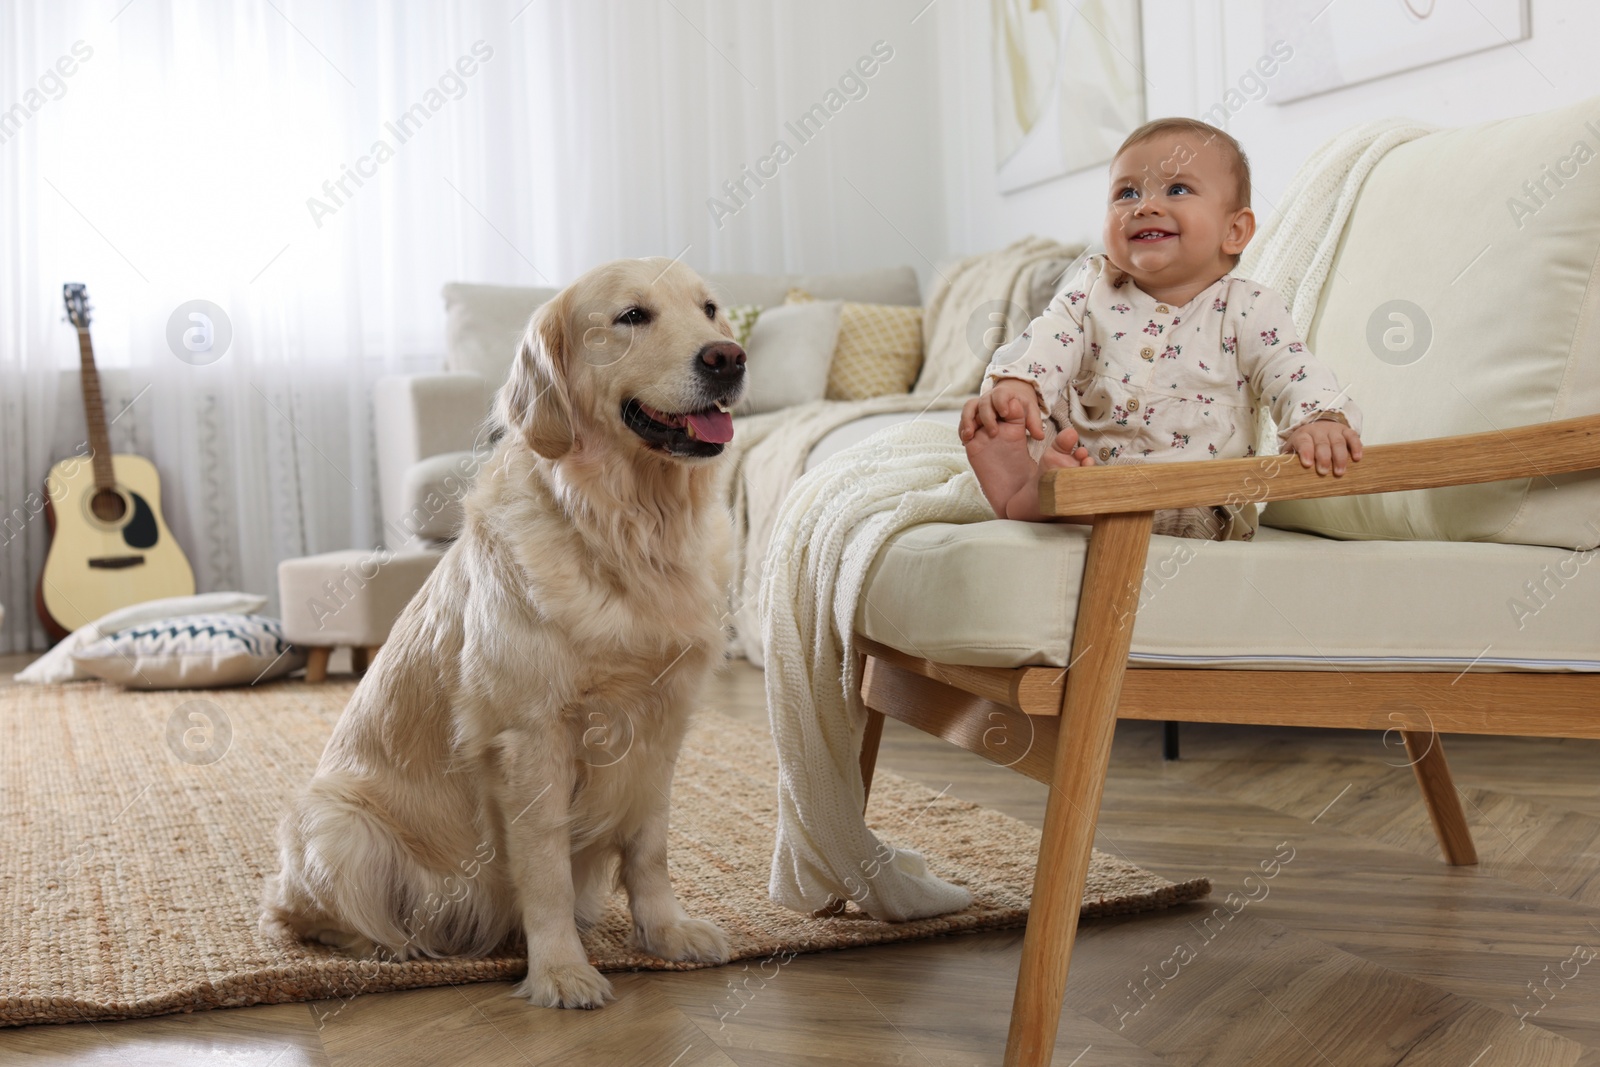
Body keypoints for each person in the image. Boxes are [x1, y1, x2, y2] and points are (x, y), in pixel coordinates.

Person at [959, 117, 1364, 540]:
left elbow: (1292, 369)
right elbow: (1048, 338)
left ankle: (1057, 501)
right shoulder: (1094, 289)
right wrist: (1019, 387)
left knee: (1189, 506)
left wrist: (1320, 419)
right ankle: (1035, 485)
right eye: (1127, 193)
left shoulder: (1249, 309)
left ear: (1235, 230)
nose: (1144, 206)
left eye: (1177, 189)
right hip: (1084, 455)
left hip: (1188, 488)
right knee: (1029, 421)